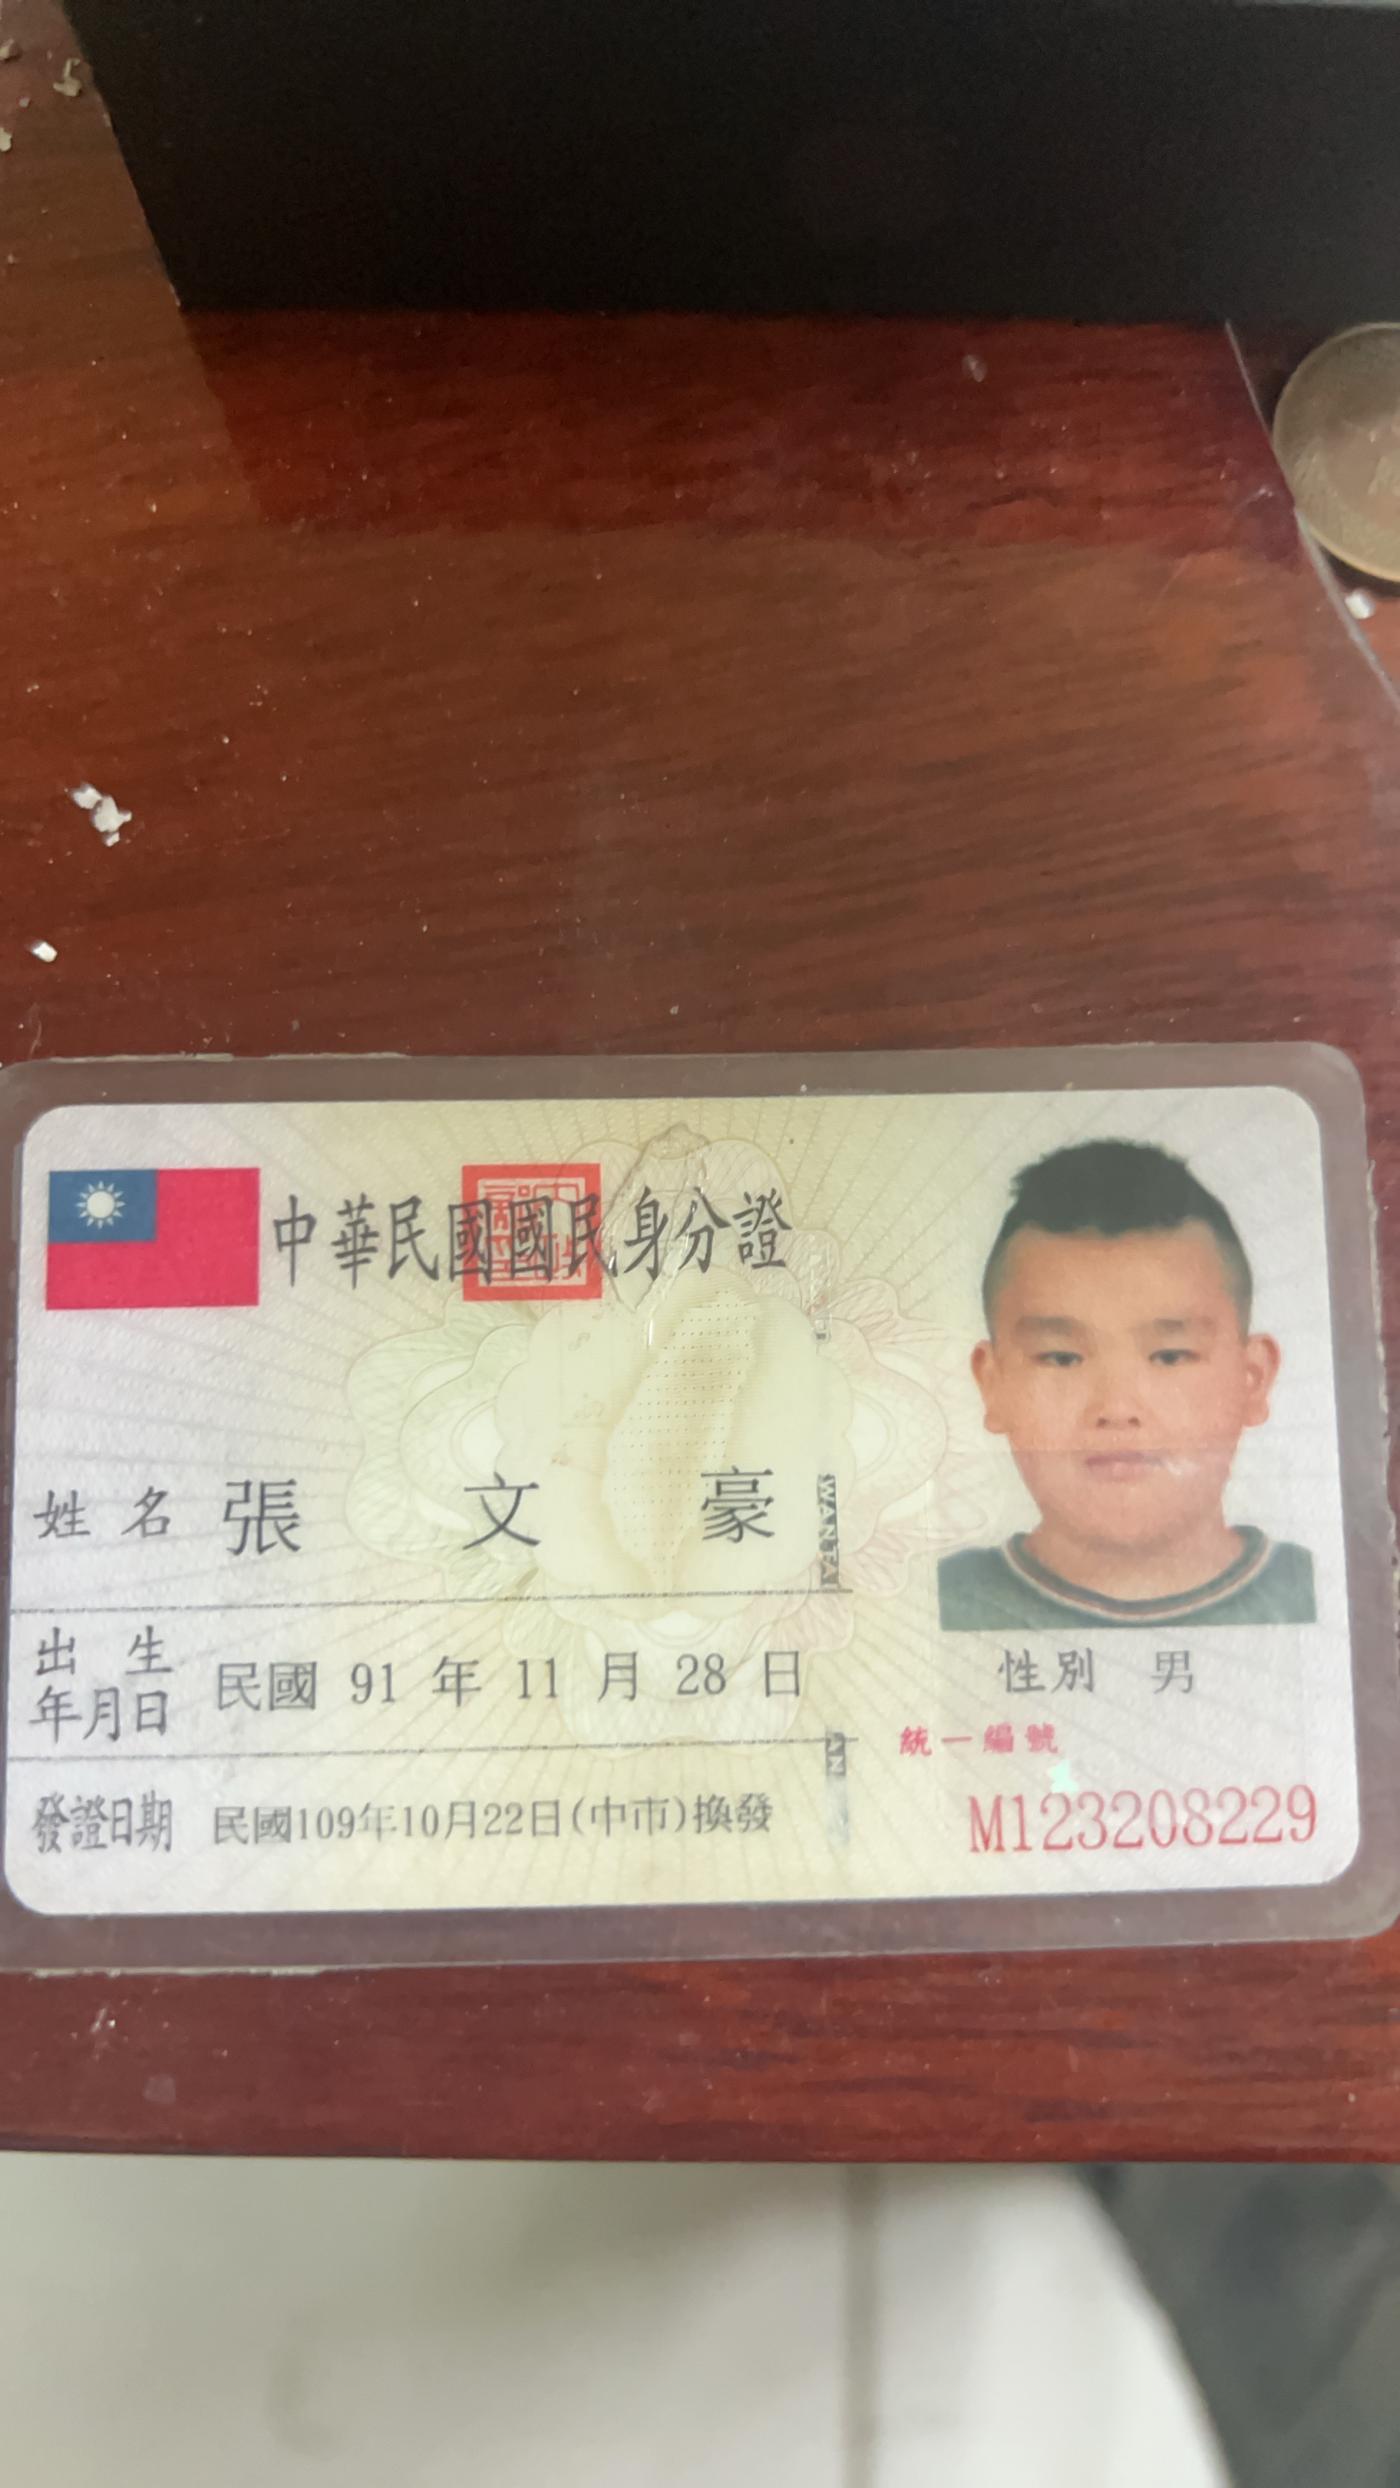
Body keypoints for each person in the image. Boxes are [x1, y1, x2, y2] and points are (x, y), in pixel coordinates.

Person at [937, 1138, 1316, 1628]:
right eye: (1062, 1358)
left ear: (1253, 1379)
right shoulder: (934, 1600)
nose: (1117, 1409)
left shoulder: (1320, 1590)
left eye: (1170, 1356)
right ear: (992, 1384)